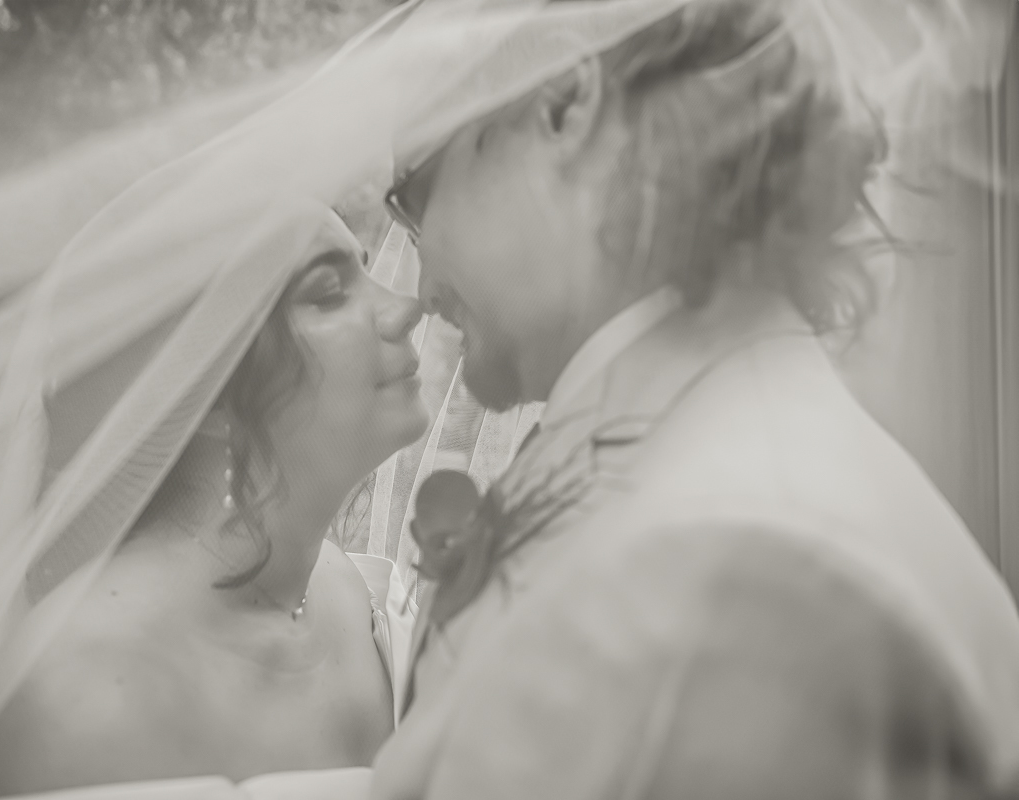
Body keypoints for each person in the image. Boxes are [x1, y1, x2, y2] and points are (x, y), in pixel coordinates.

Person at [373, 0, 1019, 797]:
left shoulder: (739, 559)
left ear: (565, 108)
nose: (418, 271)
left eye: (414, 193)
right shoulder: (704, 443)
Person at [0, 209, 425, 798]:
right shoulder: (78, 699)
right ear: (205, 389)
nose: (404, 308)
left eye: (368, 274)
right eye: (327, 294)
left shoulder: (359, 598)